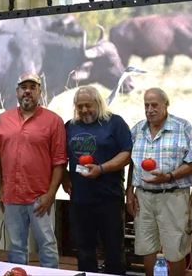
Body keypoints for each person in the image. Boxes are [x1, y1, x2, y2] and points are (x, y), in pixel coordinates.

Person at [126, 87, 192, 276]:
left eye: (154, 105)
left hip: (173, 196)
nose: (150, 109)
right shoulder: (138, 129)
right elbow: (133, 164)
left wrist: (169, 176)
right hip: (143, 197)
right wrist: (129, 192)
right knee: (146, 246)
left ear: (166, 105)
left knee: (175, 249)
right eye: (146, 105)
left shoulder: (181, 127)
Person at [0, 72, 66, 268]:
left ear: (39, 92)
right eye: (23, 87)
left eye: (32, 87)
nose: (28, 91)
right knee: (16, 246)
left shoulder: (54, 121)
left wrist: (51, 194)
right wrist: (2, 191)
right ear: (17, 91)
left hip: (39, 197)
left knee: (47, 245)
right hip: (12, 196)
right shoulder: (3, 119)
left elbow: (59, 162)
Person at [62, 86, 132, 275]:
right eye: (80, 106)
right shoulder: (70, 126)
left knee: (113, 250)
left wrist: (101, 169)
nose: (84, 110)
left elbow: (127, 154)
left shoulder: (114, 123)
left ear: (98, 103)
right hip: (80, 199)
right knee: (84, 250)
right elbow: (59, 156)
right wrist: (64, 176)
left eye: (88, 105)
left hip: (109, 198)